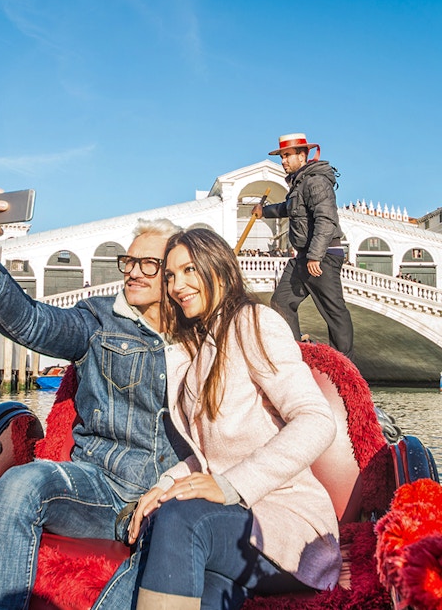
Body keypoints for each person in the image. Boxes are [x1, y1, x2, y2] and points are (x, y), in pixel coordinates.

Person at [0, 185, 188, 609]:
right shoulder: (98, 319)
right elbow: (33, 323)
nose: (132, 272)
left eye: (148, 263)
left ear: (178, 271)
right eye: (129, 261)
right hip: (97, 488)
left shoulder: (206, 335)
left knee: (174, 531)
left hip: (168, 498)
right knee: (21, 482)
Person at [127, 228, 342, 610]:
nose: (177, 285)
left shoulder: (254, 322)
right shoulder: (195, 352)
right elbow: (208, 456)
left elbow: (315, 419)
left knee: (181, 519)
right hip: (234, 526)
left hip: (287, 525)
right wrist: (163, 485)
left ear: (220, 270)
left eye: (189, 270)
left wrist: (231, 486)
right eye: (172, 276)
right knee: (177, 545)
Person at [252, 133, 354, 360]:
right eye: (282, 156)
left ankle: (345, 366)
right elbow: (288, 208)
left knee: (333, 312)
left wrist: (316, 256)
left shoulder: (316, 181)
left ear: (303, 155)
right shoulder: (300, 183)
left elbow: (325, 220)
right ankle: (295, 356)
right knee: (281, 301)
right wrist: (263, 212)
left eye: (287, 155)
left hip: (323, 254)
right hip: (305, 255)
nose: (284, 161)